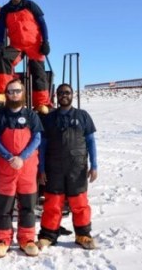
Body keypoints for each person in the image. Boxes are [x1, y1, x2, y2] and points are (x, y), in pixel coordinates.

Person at [37, 83, 98, 250]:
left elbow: (91, 142)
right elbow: (42, 145)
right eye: (61, 93)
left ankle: (83, 235)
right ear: (56, 96)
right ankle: (48, 236)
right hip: (54, 168)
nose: (64, 95)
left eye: (67, 92)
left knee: (80, 204)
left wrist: (94, 165)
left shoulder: (83, 116)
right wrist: (41, 169)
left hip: (77, 168)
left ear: (72, 95)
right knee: (52, 204)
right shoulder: (49, 118)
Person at [0, 78, 43, 258]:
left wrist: (22, 157)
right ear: (6, 95)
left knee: (27, 207)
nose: (14, 94)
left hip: (27, 169)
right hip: (6, 169)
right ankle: (2, 240)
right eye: (11, 91)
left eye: (17, 91)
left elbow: (36, 138)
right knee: (4, 208)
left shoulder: (31, 116)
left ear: (23, 93)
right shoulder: (1, 116)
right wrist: (8, 157)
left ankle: (27, 240)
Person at [0, 0, 51, 114]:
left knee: (39, 72)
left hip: (34, 44)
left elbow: (42, 23)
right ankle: (1, 93)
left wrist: (46, 41)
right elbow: (0, 29)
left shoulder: (30, 5)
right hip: (16, 45)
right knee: (3, 58)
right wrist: (0, 46)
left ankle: (41, 103)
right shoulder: (5, 10)